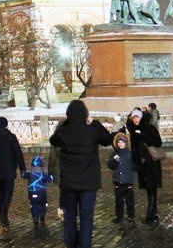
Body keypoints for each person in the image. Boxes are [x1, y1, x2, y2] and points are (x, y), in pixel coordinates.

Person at [49, 99, 112, 248]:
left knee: (69, 216)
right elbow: (107, 139)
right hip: (89, 184)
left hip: (69, 183)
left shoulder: (64, 131)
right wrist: (95, 123)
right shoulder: (93, 130)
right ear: (85, 114)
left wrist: (66, 123)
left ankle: (71, 244)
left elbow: (54, 140)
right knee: (86, 218)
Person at [124, 107, 164, 224]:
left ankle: (150, 215)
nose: (135, 120)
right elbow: (135, 149)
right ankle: (154, 214)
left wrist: (142, 135)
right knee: (148, 189)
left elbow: (158, 142)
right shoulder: (133, 131)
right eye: (133, 118)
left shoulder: (150, 128)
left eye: (137, 117)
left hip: (151, 163)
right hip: (142, 164)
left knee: (152, 188)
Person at [106, 130, 135, 223]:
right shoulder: (114, 153)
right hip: (118, 181)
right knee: (118, 201)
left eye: (122, 142)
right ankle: (119, 217)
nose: (120, 144)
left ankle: (131, 216)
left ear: (126, 143)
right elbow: (110, 166)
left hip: (128, 181)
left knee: (129, 201)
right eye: (118, 142)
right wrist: (114, 161)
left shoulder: (130, 153)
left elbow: (135, 165)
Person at [24, 155, 54, 228]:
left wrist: (22, 172)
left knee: (33, 204)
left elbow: (23, 175)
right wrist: (52, 176)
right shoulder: (42, 174)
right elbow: (48, 179)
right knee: (43, 204)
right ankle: (42, 217)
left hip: (32, 192)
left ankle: (35, 218)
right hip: (41, 193)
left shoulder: (30, 174)